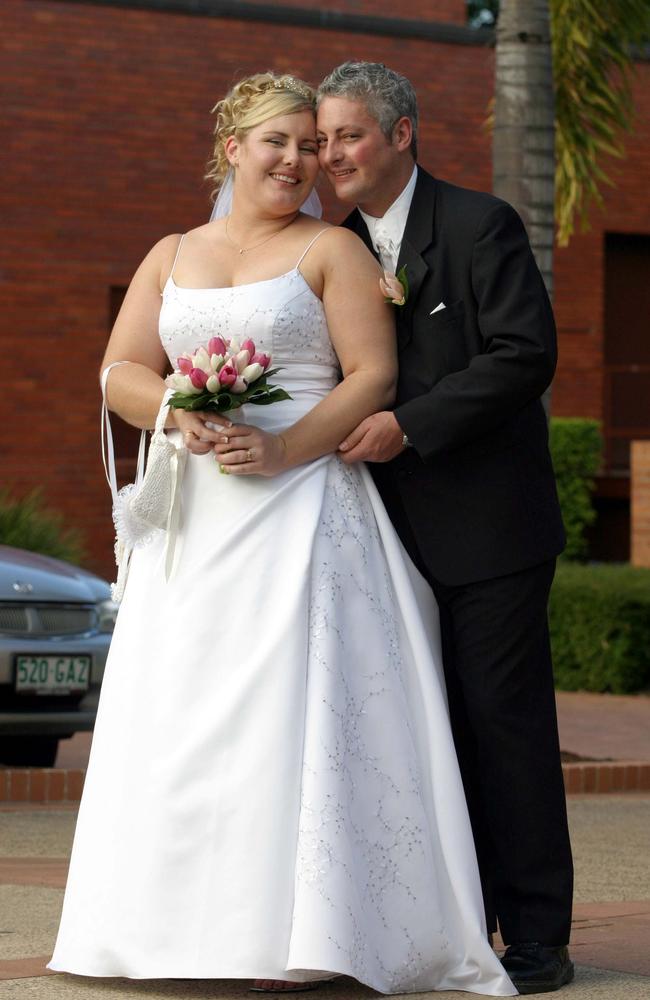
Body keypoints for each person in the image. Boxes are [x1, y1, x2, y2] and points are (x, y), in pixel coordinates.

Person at [48, 72, 515, 996]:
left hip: (304, 510)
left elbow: (371, 376)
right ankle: (164, 927)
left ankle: (306, 932)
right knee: (183, 712)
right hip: (197, 519)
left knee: (292, 714)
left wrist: (284, 450)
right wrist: (180, 409)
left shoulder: (329, 252)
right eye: (280, 143)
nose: (300, 162)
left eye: (312, 146)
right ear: (233, 147)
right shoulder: (172, 250)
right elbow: (119, 370)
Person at [316, 61, 574, 996]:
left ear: (400, 134)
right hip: (370, 539)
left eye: (347, 135)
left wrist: (410, 424)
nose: (329, 154)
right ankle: (438, 922)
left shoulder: (479, 225)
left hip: (489, 533)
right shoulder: (330, 246)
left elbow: (524, 354)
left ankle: (538, 934)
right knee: (409, 737)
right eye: (322, 139)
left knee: (501, 730)